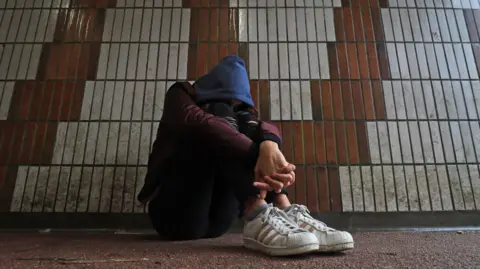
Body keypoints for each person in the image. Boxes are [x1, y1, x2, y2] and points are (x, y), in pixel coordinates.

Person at [137, 55, 354, 256]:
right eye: (229, 99)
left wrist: (270, 145)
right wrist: (257, 153)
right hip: (173, 216)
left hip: (218, 221)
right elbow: (202, 123)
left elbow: (262, 126)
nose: (233, 106)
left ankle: (283, 207)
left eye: (237, 102)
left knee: (246, 122)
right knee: (221, 119)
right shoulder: (181, 93)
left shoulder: (241, 114)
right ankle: (256, 208)